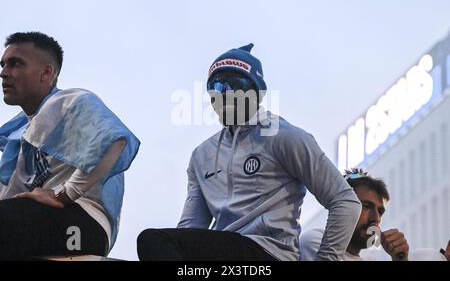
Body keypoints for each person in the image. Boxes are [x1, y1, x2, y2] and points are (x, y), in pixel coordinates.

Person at [137, 43, 361, 261]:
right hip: (225, 254)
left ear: (254, 92)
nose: (219, 94)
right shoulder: (201, 156)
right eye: (213, 87)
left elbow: (344, 200)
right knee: (162, 245)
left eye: (229, 85)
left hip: (269, 252)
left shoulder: (285, 137)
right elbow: (189, 229)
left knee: (153, 240)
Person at [0, 32, 140, 259]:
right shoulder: (18, 133)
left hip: (81, 225)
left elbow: (115, 142)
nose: (4, 73)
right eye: (3, 64)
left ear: (46, 73)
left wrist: (62, 196)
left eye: (15, 64)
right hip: (34, 221)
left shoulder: (69, 102)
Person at [300, 168, 410, 261]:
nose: (376, 218)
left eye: (380, 212)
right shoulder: (315, 241)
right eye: (366, 206)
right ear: (343, 206)